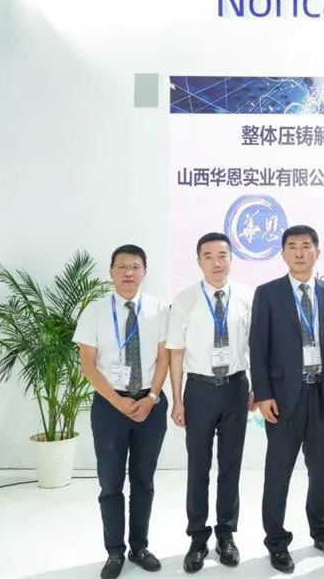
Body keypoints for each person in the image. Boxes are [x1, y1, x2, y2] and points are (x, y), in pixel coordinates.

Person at [250, 225, 324, 574]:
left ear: (317, 252)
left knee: (320, 469)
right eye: (292, 246)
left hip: (320, 393)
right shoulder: (268, 293)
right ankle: (276, 542)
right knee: (278, 472)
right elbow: (258, 345)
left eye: (306, 246)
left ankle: (323, 533)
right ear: (283, 254)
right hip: (282, 398)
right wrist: (263, 394)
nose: (300, 252)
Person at [74, 244, 169, 579]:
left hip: (150, 405)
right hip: (109, 406)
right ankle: (114, 552)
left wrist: (152, 397)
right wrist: (118, 402)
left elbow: (164, 357)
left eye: (135, 266)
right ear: (111, 271)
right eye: (122, 266)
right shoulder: (94, 311)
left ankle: (139, 547)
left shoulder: (160, 309)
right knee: (111, 483)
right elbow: (88, 365)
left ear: (145, 271)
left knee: (143, 481)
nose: (129, 272)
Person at [166, 232, 256, 573]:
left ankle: (226, 535)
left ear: (232, 258)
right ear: (198, 261)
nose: (217, 262)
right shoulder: (185, 299)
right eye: (209, 256)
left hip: (236, 388)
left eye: (223, 255)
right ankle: (197, 538)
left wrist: (256, 387)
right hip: (200, 390)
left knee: (230, 465)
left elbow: (255, 346)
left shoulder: (246, 296)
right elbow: (176, 353)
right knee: (198, 466)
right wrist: (177, 399)